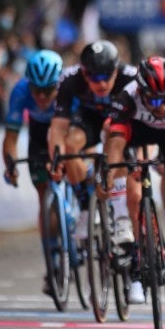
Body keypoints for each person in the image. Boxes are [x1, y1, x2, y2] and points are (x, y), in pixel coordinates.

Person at [99, 56, 165, 314]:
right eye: (154, 100)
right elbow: (115, 143)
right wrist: (109, 176)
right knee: (117, 161)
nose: (160, 106)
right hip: (139, 132)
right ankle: (124, 222)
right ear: (141, 91)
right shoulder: (127, 95)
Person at [47, 40, 138, 246]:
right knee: (70, 145)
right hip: (89, 119)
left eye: (107, 76)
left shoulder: (130, 77)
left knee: (115, 136)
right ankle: (86, 208)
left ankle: (122, 217)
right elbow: (58, 127)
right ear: (84, 73)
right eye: (94, 77)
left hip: (119, 121)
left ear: (117, 70)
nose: (101, 83)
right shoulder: (70, 79)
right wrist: (57, 160)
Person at [2, 49, 63, 294]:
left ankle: (84, 216)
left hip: (67, 130)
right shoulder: (20, 91)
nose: (40, 96)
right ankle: (53, 262)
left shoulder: (68, 89)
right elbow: (11, 137)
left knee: (78, 169)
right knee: (44, 196)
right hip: (39, 135)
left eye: (47, 90)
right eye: (36, 90)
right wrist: (11, 167)